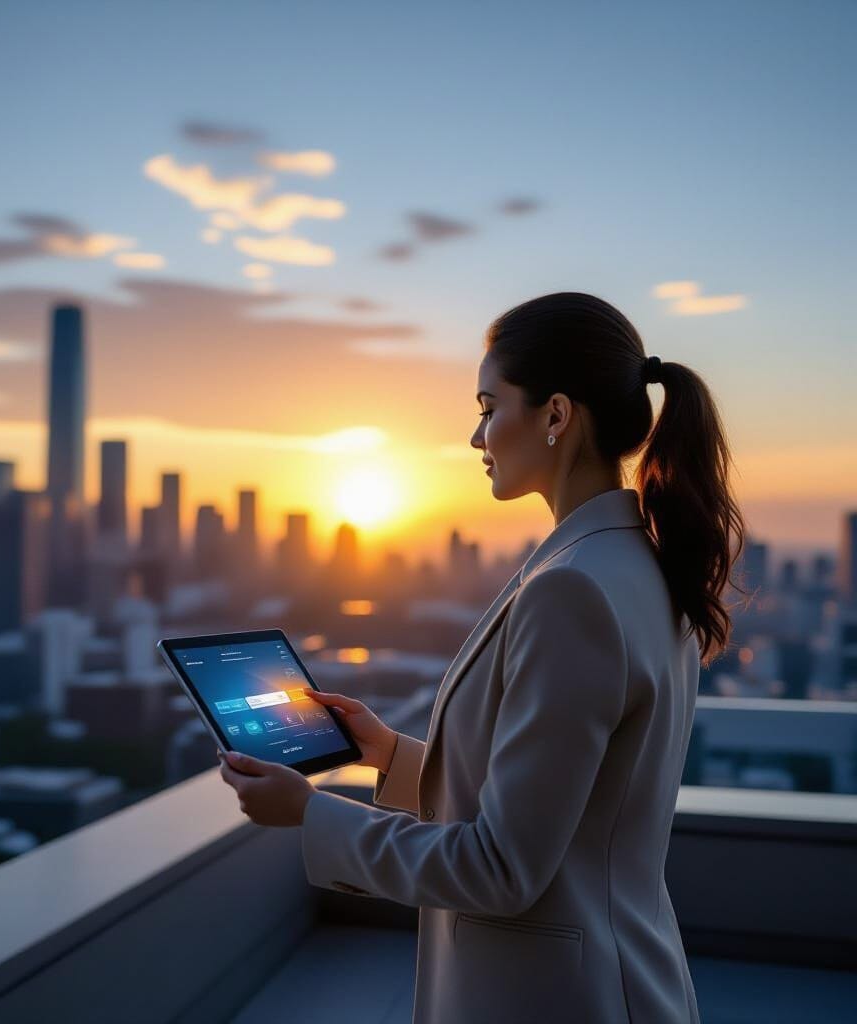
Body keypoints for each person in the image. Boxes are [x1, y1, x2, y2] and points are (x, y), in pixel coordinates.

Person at [217, 291, 748, 1023]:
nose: (477, 436)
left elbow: (503, 868)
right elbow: (566, 800)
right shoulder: (637, 563)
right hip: (603, 975)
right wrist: (391, 756)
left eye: (488, 406)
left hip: (560, 998)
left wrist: (312, 816)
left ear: (557, 416)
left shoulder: (573, 592)